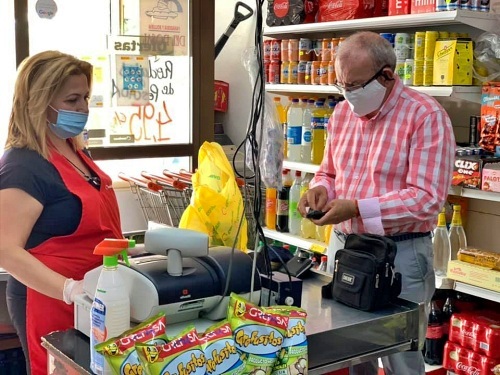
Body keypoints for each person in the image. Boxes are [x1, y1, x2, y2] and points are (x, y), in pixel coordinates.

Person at [298, 31, 456, 375]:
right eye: (342, 85)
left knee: (402, 359)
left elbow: (427, 200)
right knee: (350, 352)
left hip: (400, 254)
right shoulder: (341, 114)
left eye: (355, 85)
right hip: (346, 250)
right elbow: (329, 173)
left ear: (387, 75)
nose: (348, 95)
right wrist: (320, 189)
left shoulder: (426, 116)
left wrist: (356, 207)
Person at [0, 51, 123, 374]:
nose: (83, 108)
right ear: (40, 103)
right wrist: (70, 290)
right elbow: (5, 250)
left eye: (85, 97)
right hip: (51, 300)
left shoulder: (75, 150)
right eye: (72, 99)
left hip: (96, 298)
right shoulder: (23, 166)